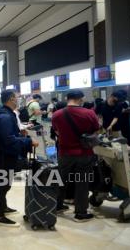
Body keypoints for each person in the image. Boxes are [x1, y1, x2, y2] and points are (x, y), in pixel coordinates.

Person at [0, 90, 37, 227]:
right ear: (11, 99)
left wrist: (20, 135)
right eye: (17, 98)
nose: (19, 100)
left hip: (4, 154)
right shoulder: (5, 117)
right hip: (5, 155)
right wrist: (29, 142)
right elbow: (8, 140)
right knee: (2, 185)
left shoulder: (5, 114)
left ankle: (2, 207)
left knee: (5, 184)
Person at [52, 90, 99, 222]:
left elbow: (56, 131)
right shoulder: (89, 113)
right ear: (81, 99)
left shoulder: (57, 114)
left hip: (64, 153)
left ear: (67, 98)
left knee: (61, 179)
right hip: (84, 154)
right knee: (82, 181)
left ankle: (57, 205)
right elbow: (96, 130)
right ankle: (80, 212)